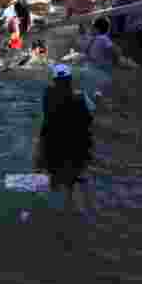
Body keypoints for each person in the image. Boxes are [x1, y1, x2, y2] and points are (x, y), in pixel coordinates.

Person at [33, 63, 95, 218]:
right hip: (75, 147)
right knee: (72, 184)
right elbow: (90, 116)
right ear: (70, 80)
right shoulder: (80, 97)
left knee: (42, 165)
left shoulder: (47, 93)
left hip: (51, 142)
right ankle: (73, 213)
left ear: (54, 81)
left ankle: (38, 196)